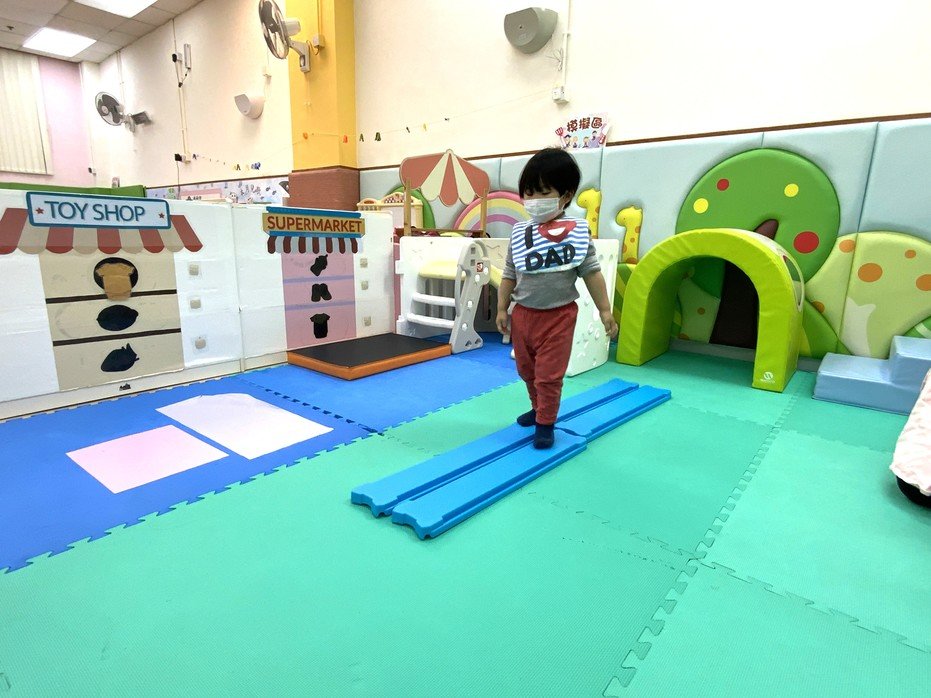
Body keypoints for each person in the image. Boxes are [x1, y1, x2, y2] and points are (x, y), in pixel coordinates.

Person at [496, 148, 619, 449]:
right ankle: (538, 408)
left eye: (543, 193)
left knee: (548, 375)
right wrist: (501, 308)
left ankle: (546, 422)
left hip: (558, 316)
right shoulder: (521, 233)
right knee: (526, 371)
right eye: (529, 193)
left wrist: (605, 310)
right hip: (523, 314)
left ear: (565, 196)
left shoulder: (575, 232)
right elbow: (509, 273)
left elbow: (591, 272)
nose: (534, 200)